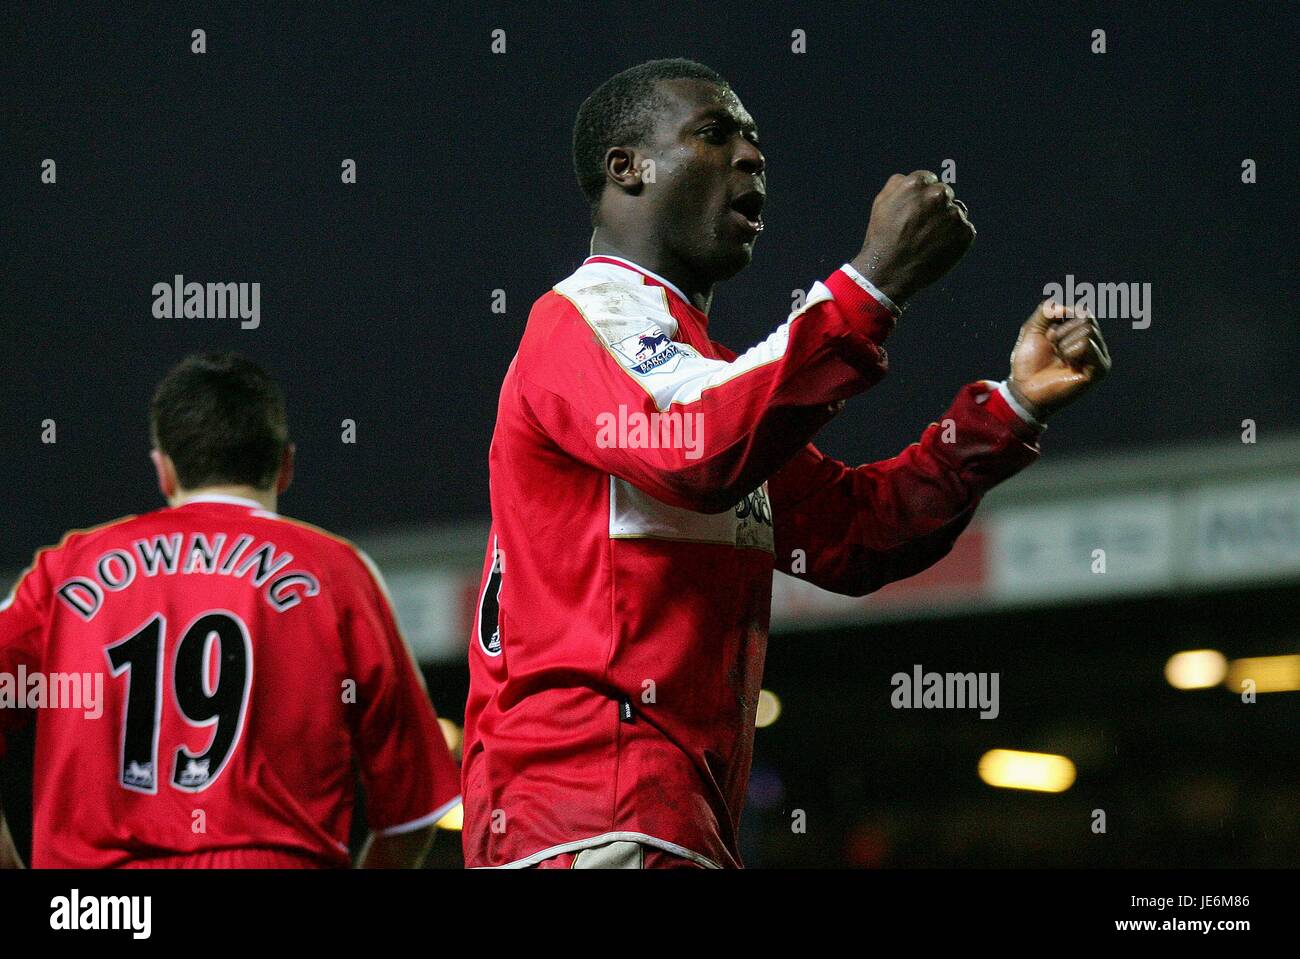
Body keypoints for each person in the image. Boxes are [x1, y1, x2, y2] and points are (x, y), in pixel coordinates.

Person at [461, 58, 1110, 869]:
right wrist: (870, 287)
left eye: (756, 141)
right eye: (713, 133)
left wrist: (1009, 409)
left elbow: (857, 532)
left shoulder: (699, 374)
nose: (751, 155)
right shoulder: (583, 318)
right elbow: (695, 449)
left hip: (649, 822)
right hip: (591, 819)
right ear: (627, 167)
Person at [0, 353, 460, 868]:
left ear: (164, 470)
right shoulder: (336, 572)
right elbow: (413, 811)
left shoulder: (65, 572)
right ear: (285, 466)